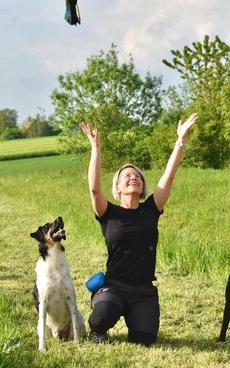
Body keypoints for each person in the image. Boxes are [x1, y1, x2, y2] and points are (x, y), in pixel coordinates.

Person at [79, 112, 199, 346]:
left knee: (145, 339)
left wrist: (181, 140)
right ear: (117, 187)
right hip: (114, 285)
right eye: (127, 176)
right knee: (103, 314)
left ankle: (136, 317)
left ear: (143, 185)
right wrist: (96, 148)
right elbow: (94, 189)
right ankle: (98, 329)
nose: (133, 178)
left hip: (143, 289)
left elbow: (169, 176)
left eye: (137, 176)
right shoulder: (108, 212)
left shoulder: (151, 209)